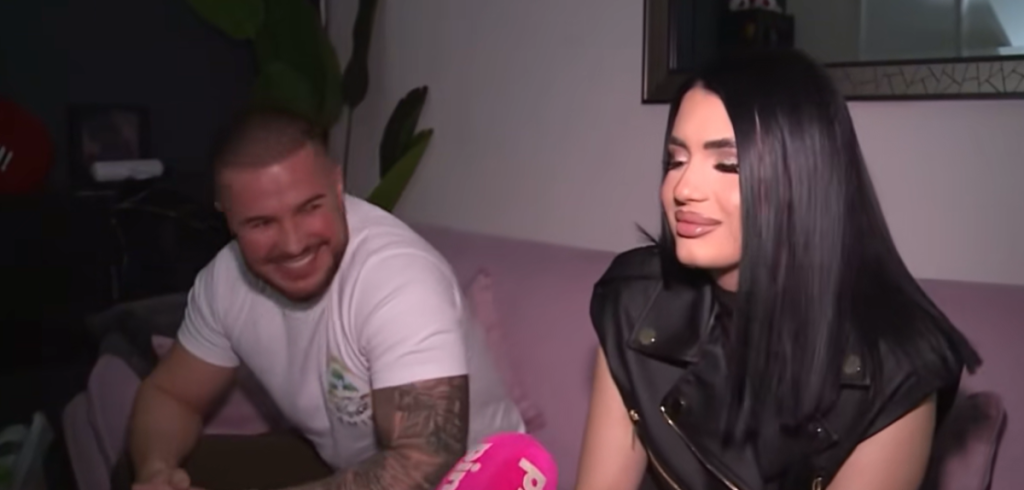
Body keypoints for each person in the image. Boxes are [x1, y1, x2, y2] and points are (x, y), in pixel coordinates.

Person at [575, 49, 981, 490]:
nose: (684, 188)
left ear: (800, 179)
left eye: (728, 164)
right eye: (676, 160)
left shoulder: (895, 370)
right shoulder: (635, 303)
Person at [126, 110, 524, 490]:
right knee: (136, 474)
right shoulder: (224, 282)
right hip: (348, 469)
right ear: (226, 214)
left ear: (337, 185)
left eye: (309, 208)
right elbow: (171, 395)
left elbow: (423, 465)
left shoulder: (399, 279)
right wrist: (157, 470)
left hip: (473, 480)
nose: (293, 244)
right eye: (261, 223)